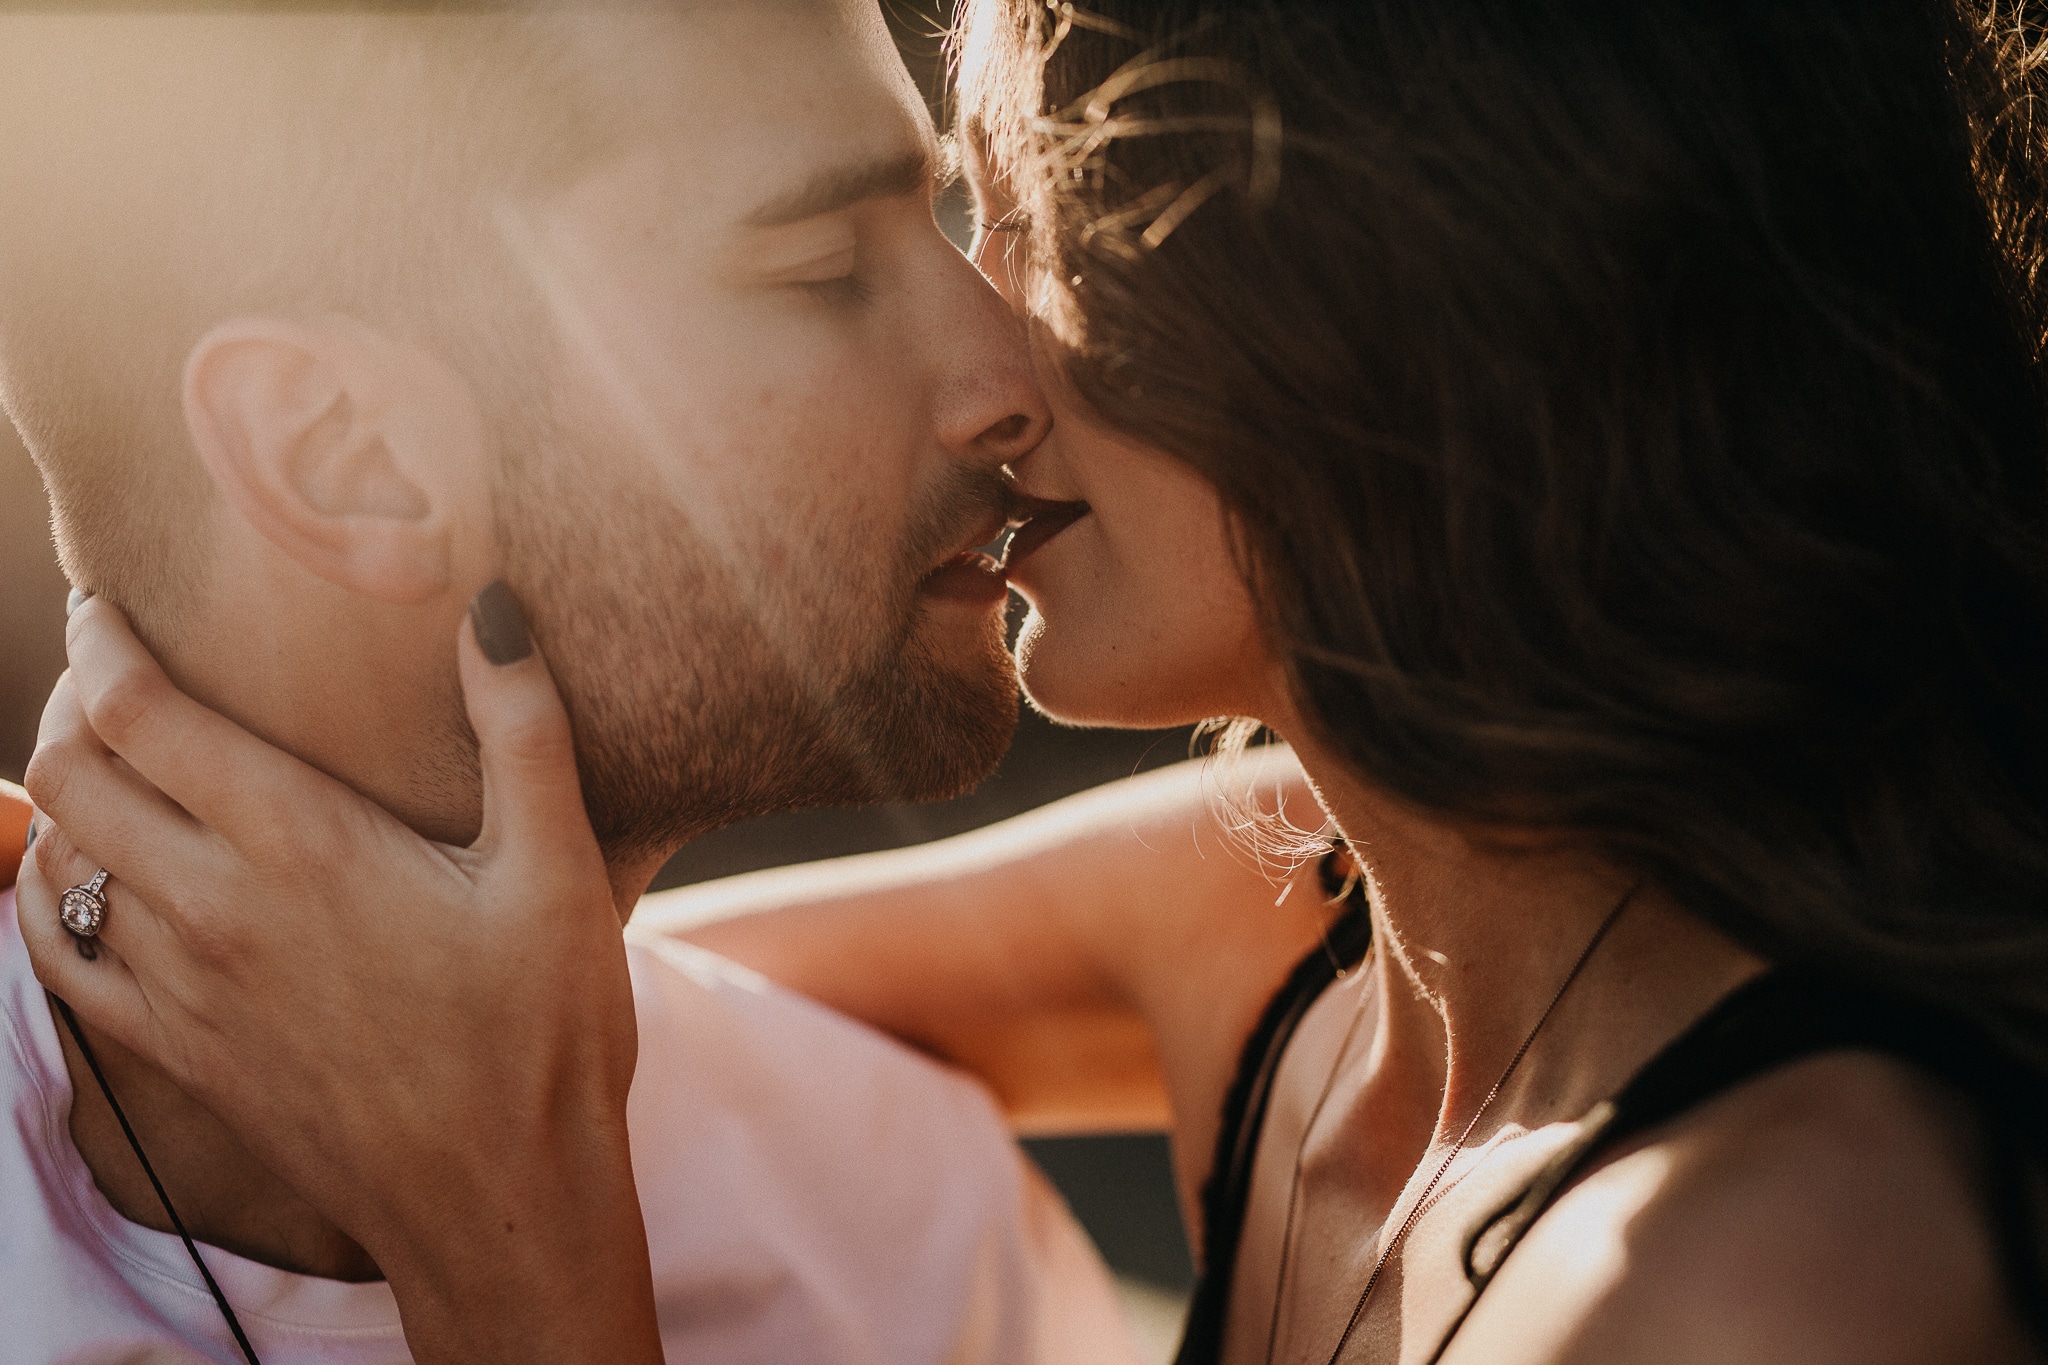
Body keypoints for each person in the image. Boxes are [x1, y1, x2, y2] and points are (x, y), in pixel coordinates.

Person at [19, 0, 2048, 1361]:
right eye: (837, 265)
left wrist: (523, 1264)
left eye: (1051, 237)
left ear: (1403, 317)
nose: (994, 378)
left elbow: (512, 1079)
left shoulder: (1774, 1273)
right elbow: (504, 994)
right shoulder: (1297, 930)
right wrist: (116, 870)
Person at [0, 5, 1170, 1364]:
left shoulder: (906, 1230)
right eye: (820, 269)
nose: (1012, 373)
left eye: (943, 221)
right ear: (343, 457)